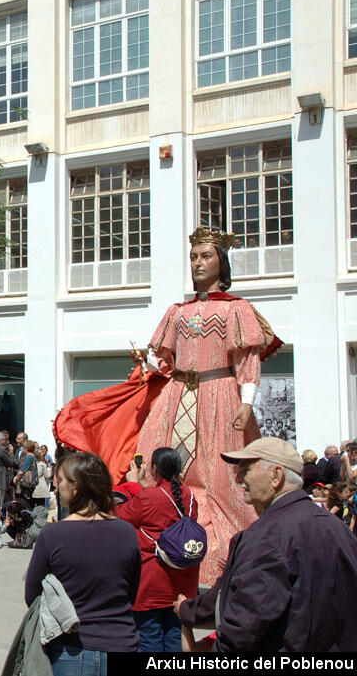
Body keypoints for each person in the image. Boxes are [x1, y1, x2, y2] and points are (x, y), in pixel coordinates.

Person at [55, 227, 282, 584]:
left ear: (221, 262)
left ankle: (229, 546)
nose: (198, 263)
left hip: (219, 392)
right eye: (193, 257)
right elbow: (168, 365)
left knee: (220, 473)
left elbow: (247, 358)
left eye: (205, 256)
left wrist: (247, 402)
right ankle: (154, 528)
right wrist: (144, 365)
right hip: (177, 394)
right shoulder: (177, 311)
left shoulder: (237, 309)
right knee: (152, 461)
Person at [175, 437, 357, 651]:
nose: (238, 477)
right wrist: (189, 610)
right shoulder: (337, 528)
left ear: (276, 475)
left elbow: (245, 626)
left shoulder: (267, 536)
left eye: (246, 469)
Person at [25, 452, 141, 672]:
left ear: (76, 487)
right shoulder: (126, 531)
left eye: (61, 481)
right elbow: (131, 592)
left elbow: (32, 595)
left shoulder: (53, 534)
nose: (56, 487)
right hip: (122, 640)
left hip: (70, 649)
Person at [116, 447, 199, 652]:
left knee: (148, 640)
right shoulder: (189, 496)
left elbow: (121, 514)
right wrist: (142, 486)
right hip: (183, 581)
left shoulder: (149, 497)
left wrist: (133, 483)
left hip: (151, 580)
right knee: (175, 639)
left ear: (154, 468)